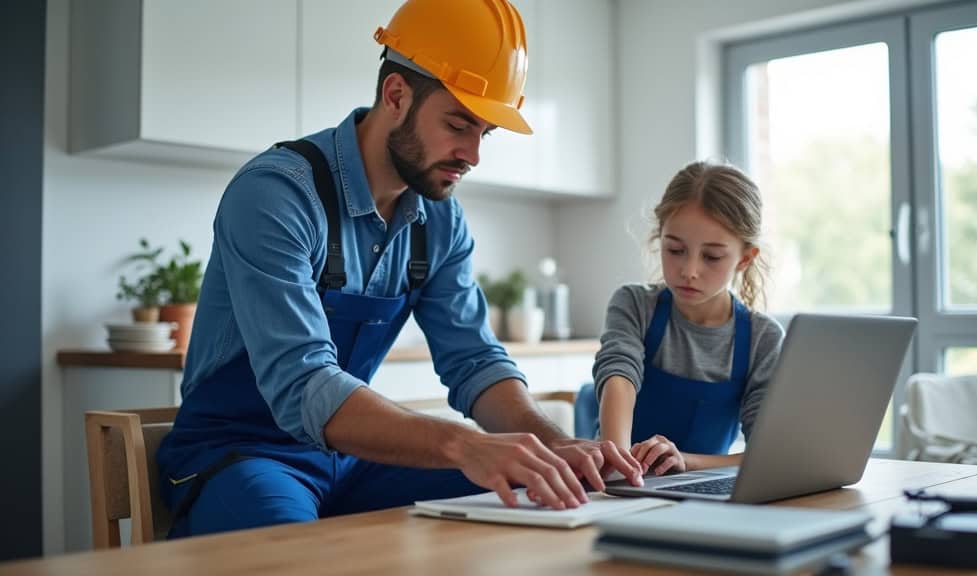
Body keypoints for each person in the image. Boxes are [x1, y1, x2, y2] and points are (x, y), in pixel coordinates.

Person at [157, 0, 642, 539]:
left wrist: (556, 446)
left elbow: (475, 361)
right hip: (241, 453)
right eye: (458, 124)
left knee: (540, 494)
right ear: (395, 95)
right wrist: (465, 444)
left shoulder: (440, 219)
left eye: (485, 133)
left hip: (349, 457)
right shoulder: (276, 195)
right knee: (291, 551)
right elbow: (303, 383)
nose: (473, 155)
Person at [588, 161, 784, 476]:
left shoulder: (763, 338)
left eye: (712, 256)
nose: (689, 271)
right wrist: (620, 464)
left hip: (705, 488)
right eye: (675, 250)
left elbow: (767, 454)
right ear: (660, 239)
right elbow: (619, 378)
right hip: (624, 484)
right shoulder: (634, 305)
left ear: (745, 259)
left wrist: (685, 462)